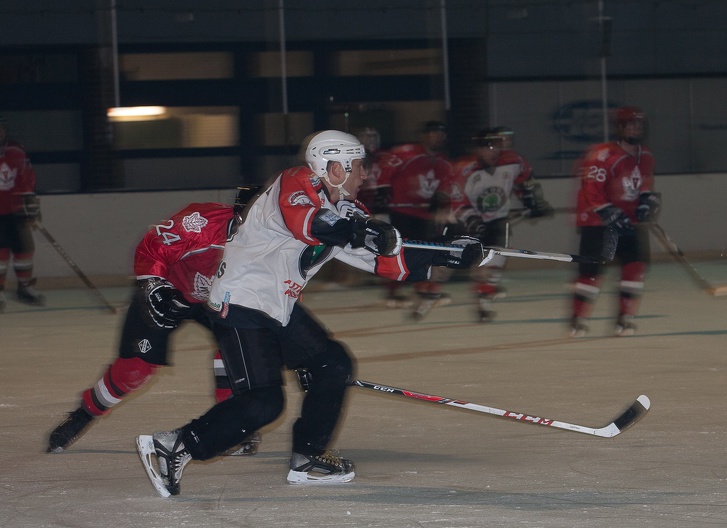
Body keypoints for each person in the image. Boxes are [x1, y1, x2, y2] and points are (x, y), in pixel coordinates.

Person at [134, 130, 482, 498]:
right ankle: (174, 444)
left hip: (279, 308)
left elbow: (386, 260)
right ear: (334, 168)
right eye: (359, 167)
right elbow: (309, 221)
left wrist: (448, 256)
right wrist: (360, 232)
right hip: (242, 305)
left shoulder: (347, 209)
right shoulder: (295, 183)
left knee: (333, 364)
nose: (366, 175)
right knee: (263, 403)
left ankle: (309, 457)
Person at [46, 195, 261, 456]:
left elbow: (283, 290)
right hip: (170, 290)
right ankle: (85, 413)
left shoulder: (281, 240)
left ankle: (231, 420)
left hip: (221, 300)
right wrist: (153, 284)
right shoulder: (202, 222)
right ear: (238, 215)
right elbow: (153, 246)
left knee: (239, 349)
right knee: (135, 369)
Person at [568, 106, 661, 337]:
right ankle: (578, 319)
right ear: (620, 128)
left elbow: (645, 182)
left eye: (638, 125)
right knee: (592, 272)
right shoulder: (604, 155)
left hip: (627, 222)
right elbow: (592, 188)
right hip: (598, 223)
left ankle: (625, 318)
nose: (634, 129)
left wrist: (647, 200)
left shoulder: (646, 155)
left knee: (635, 265)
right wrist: (608, 211)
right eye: (630, 124)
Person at [454, 128, 553, 322]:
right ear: (479, 149)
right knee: (475, 261)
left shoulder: (513, 161)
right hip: (470, 220)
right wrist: (472, 220)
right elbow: (457, 201)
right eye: (488, 147)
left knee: (498, 257)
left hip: (497, 218)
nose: (493, 151)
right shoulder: (465, 169)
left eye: (496, 146)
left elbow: (525, 182)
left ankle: (483, 302)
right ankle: (431, 291)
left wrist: (532, 202)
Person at [376, 121, 461, 317]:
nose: (437, 137)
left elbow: (445, 188)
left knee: (423, 252)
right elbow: (384, 174)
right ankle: (393, 293)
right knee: (396, 250)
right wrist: (383, 199)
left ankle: (421, 288)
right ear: (423, 135)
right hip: (402, 211)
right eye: (433, 133)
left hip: (424, 214)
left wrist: (441, 203)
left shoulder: (444, 163)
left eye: (440, 133)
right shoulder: (405, 153)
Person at [0, 116, 44, 311]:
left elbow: (27, 178)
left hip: (16, 211)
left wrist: (29, 202)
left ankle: (24, 288)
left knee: (25, 250)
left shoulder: (16, 151)